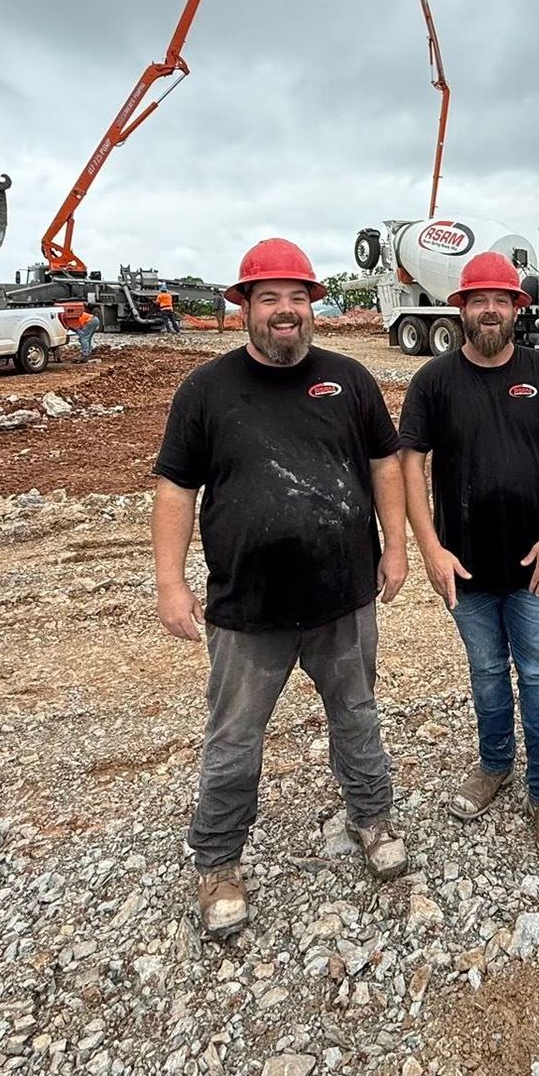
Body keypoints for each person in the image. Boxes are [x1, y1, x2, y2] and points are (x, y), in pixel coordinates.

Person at [152, 237, 410, 937]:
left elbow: (387, 464)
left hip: (343, 596)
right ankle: (219, 862)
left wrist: (397, 549)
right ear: (244, 308)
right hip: (247, 609)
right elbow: (177, 485)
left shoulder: (349, 379)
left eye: (297, 297)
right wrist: (170, 582)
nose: (286, 310)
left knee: (356, 716)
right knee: (234, 738)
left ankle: (372, 817)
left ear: (312, 307)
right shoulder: (206, 389)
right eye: (270, 297)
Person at [398, 250, 539, 864]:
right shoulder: (434, 381)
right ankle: (495, 764)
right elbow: (411, 465)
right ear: (461, 308)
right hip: (467, 567)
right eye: (477, 300)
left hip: (537, 563)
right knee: (485, 673)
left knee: (537, 675)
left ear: (516, 308)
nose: (488, 310)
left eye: (500, 300)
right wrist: (430, 549)